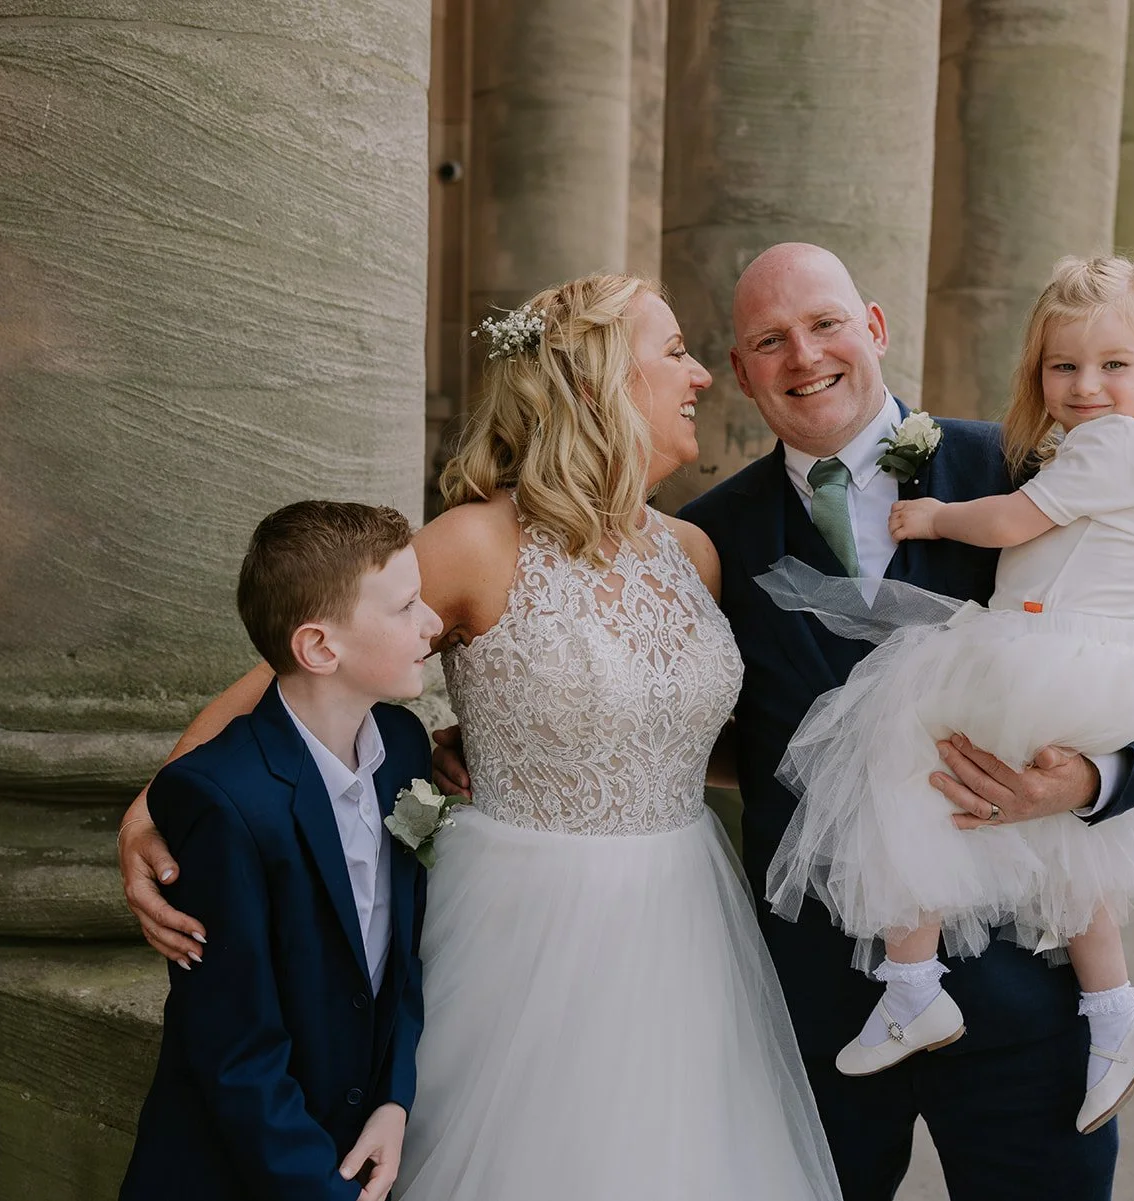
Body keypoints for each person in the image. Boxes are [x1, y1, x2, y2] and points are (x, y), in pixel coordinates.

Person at [116, 275, 844, 1201]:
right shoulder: (476, 544)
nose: (703, 373)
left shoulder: (691, 553)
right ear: (596, 384)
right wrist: (146, 813)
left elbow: (681, 737)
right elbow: (292, 668)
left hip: (687, 921)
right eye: (674, 351)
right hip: (522, 929)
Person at [671, 242, 1134, 1201]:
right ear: (743, 367)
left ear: (874, 328)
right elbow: (689, 719)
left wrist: (1089, 778)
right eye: (771, 340)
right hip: (819, 1001)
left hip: (1026, 984)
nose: (805, 355)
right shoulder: (709, 534)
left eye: (826, 323)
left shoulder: (1022, 462)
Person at [119, 500, 439, 1201]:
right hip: (233, 1170)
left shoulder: (406, 750)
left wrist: (393, 1099)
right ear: (320, 647)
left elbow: (401, 959)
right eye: (407, 606)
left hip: (360, 1143)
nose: (434, 623)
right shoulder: (223, 801)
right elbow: (235, 1054)